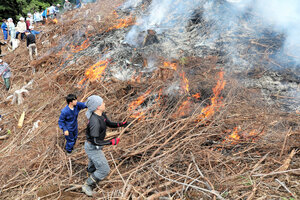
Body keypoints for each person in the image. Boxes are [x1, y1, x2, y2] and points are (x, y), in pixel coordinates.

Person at [82, 95, 128, 196]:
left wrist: (121, 124)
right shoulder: (94, 121)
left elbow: (109, 123)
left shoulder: (101, 114)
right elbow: (95, 141)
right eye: (102, 103)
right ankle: (87, 185)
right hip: (93, 147)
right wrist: (111, 142)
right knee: (104, 169)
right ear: (97, 107)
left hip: (95, 145)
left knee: (94, 163)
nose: (104, 104)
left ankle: (91, 173)